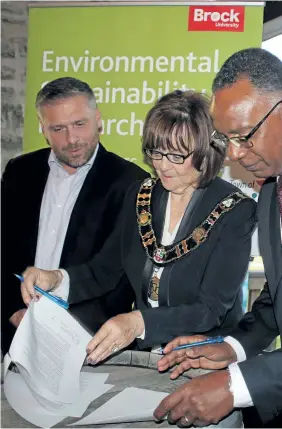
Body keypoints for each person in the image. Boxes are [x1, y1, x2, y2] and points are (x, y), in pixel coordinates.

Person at [154, 48, 282, 428]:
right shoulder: (271, 189)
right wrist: (233, 347)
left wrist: (237, 386)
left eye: (243, 136)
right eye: (224, 139)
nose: (234, 154)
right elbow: (281, 294)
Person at [19, 90, 257, 365]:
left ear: (206, 151)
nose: (162, 165)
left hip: (205, 360)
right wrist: (55, 280)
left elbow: (211, 309)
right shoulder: (141, 194)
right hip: (147, 360)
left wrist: (137, 322)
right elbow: (105, 271)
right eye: (156, 151)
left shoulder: (235, 209)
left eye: (176, 155)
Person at [1, 76, 148, 355]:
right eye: (58, 128)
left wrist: (64, 329)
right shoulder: (19, 172)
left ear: (98, 119)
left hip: (86, 346)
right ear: (42, 128)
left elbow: (118, 279)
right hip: (14, 337)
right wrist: (13, 311)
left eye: (80, 124)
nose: (72, 139)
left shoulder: (131, 183)